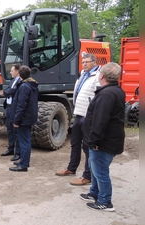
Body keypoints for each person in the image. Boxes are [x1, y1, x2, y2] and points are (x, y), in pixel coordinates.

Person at [80, 62, 125, 212]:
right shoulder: (114, 90)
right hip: (107, 139)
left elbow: (100, 120)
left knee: (100, 171)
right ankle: (95, 192)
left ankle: (105, 201)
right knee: (95, 168)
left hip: (104, 141)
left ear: (102, 76)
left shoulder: (106, 94)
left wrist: (94, 140)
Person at [55, 53, 101, 185]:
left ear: (94, 62)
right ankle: (71, 168)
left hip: (88, 116)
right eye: (83, 62)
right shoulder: (83, 75)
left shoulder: (97, 76)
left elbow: (98, 97)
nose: (84, 64)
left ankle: (87, 175)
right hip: (79, 114)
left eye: (87, 62)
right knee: (75, 143)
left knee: (87, 146)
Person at [9, 65, 38, 172]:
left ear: (20, 74)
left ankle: (23, 164)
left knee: (24, 141)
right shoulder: (31, 84)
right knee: (25, 140)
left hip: (24, 119)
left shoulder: (24, 87)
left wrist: (16, 120)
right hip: (28, 118)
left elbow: (21, 105)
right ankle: (23, 160)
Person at [0, 64, 21, 161]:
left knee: (16, 131)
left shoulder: (20, 81)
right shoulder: (12, 81)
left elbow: (12, 91)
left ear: (17, 71)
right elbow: (8, 90)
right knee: (9, 129)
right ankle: (10, 148)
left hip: (14, 107)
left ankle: (18, 152)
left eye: (12, 70)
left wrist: (7, 92)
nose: (10, 72)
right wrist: (7, 91)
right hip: (8, 107)